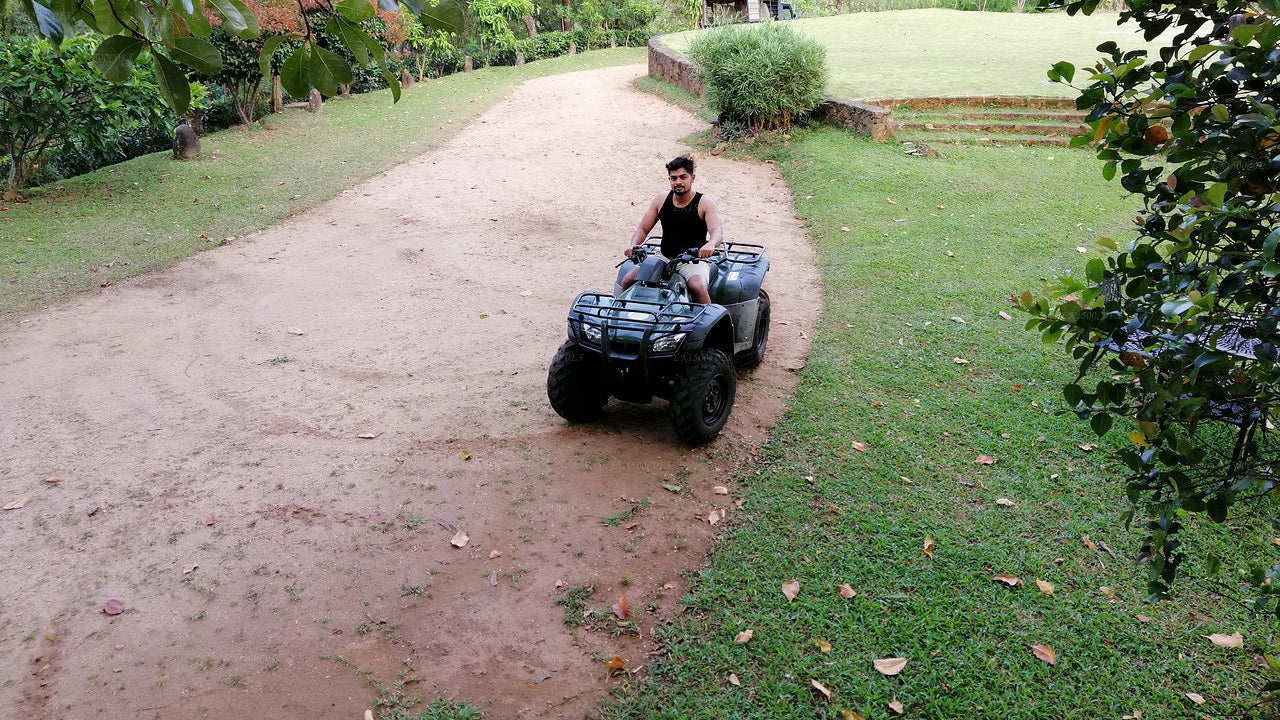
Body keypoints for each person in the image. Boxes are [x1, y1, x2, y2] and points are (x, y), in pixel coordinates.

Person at [621, 155, 724, 304]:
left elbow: (717, 232)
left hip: (693, 260)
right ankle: (620, 320)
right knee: (628, 279)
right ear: (669, 179)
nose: (678, 182)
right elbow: (643, 228)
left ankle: (713, 325)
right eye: (674, 178)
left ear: (692, 178)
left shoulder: (704, 202)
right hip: (664, 256)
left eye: (683, 177)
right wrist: (633, 244)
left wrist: (710, 244)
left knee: (698, 287)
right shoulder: (661, 199)